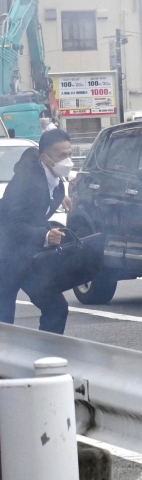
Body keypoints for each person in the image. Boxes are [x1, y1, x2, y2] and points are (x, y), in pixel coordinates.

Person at [0, 129, 76, 334]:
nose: (68, 160)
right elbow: (10, 224)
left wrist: (59, 198)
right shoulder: (26, 182)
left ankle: (48, 360)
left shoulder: (55, 180)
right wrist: (44, 235)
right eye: (62, 155)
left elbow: (37, 211)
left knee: (56, 307)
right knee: (3, 318)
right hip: (5, 257)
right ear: (45, 158)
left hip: (29, 256)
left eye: (70, 154)